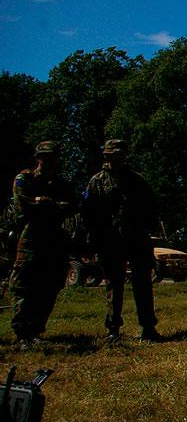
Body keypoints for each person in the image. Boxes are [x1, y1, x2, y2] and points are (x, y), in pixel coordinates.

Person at [82, 138, 162, 345]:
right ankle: (113, 329)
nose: (116, 159)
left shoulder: (138, 181)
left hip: (137, 239)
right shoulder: (97, 182)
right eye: (111, 155)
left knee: (143, 283)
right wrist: (93, 239)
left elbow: (152, 208)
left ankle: (148, 327)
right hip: (110, 241)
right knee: (114, 285)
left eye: (119, 155)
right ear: (106, 157)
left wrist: (150, 231)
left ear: (125, 156)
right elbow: (88, 213)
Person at [6, 141, 76, 351]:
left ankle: (36, 330)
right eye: (45, 157)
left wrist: (47, 204)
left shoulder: (61, 184)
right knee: (24, 285)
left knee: (49, 286)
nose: (49, 161)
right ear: (38, 158)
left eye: (52, 157)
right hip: (31, 239)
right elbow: (23, 207)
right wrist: (47, 205)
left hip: (54, 240)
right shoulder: (24, 179)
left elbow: (72, 206)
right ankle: (22, 333)